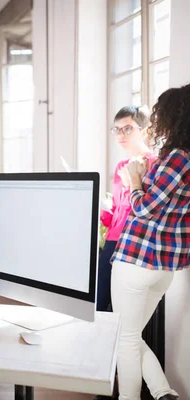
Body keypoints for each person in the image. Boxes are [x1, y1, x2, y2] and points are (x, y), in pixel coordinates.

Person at [110, 84, 190, 400]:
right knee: (131, 336)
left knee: (126, 338)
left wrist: (134, 181)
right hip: (164, 267)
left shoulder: (176, 159)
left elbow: (145, 208)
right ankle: (164, 393)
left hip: (137, 260)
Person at [97, 106, 155, 312]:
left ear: (145, 131)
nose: (121, 134)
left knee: (118, 306)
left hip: (132, 243)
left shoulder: (153, 164)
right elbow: (115, 210)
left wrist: (131, 183)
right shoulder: (121, 164)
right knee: (99, 301)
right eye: (117, 129)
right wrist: (99, 210)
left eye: (128, 129)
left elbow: (146, 210)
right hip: (112, 240)